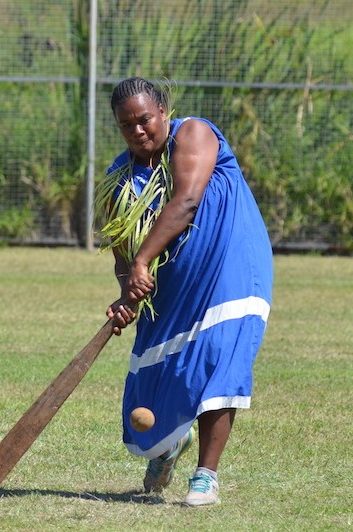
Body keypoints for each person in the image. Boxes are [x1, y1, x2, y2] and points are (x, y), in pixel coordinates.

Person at [97, 77, 273, 506]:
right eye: (126, 125)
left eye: (145, 120)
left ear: (163, 112)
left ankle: (206, 477)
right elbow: (123, 251)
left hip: (231, 266)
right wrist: (128, 293)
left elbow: (187, 199)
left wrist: (142, 262)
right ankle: (168, 446)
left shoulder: (193, 133)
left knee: (220, 363)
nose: (138, 131)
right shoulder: (118, 177)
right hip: (174, 288)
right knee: (159, 385)